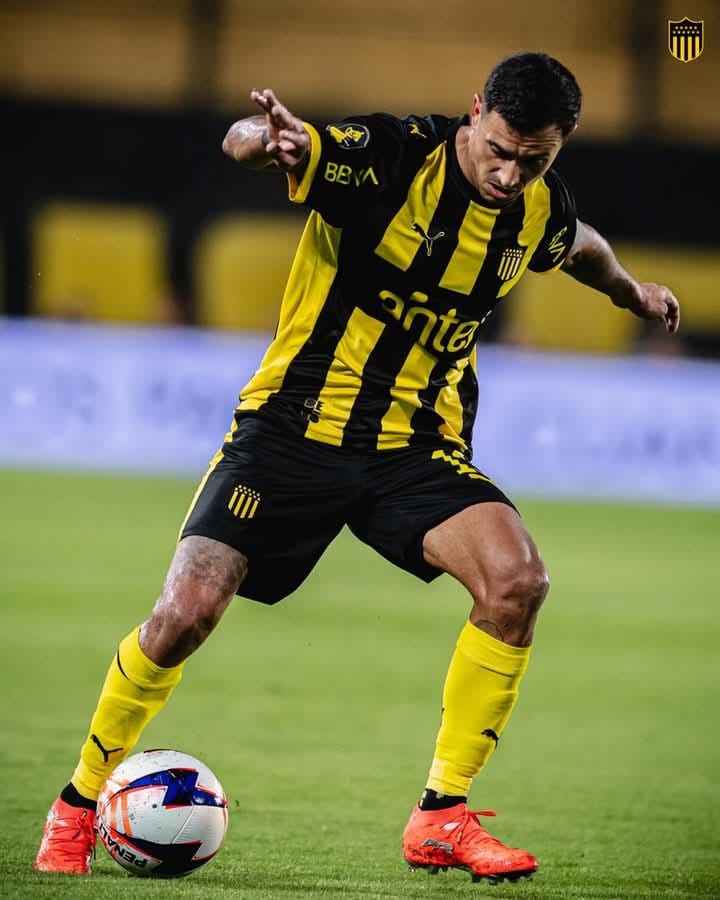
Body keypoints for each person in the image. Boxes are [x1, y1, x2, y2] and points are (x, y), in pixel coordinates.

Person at [35, 52, 680, 883]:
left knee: (518, 581)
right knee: (185, 614)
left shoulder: (538, 208)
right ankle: (77, 806)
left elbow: (577, 244)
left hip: (415, 445)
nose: (509, 174)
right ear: (474, 111)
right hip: (291, 428)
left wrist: (630, 291)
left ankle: (441, 814)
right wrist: (264, 141)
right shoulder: (391, 157)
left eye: (535, 160)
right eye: (500, 150)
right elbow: (265, 142)